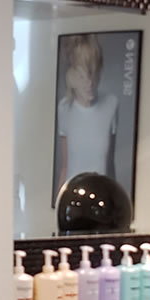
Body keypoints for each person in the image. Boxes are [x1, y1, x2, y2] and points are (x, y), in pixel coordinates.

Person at [56, 34, 118, 200]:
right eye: (82, 76)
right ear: (71, 77)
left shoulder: (111, 104)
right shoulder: (64, 108)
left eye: (93, 74)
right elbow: (65, 166)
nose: (89, 83)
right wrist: (58, 203)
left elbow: (110, 163)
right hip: (72, 200)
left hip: (102, 200)